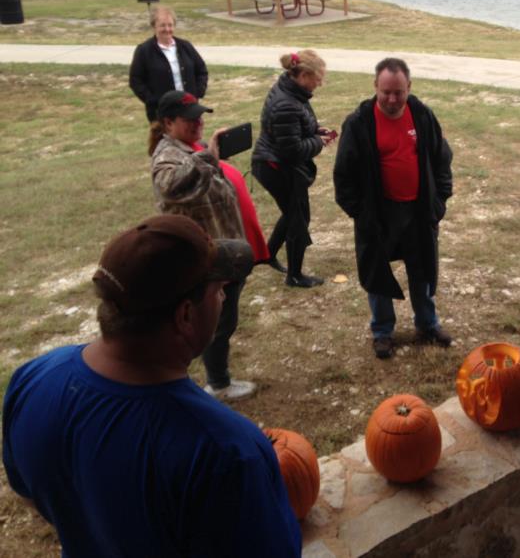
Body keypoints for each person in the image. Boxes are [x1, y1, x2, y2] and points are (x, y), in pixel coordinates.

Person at [2, 214, 302, 557]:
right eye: (219, 290)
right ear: (185, 315)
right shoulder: (226, 452)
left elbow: (29, 494)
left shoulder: (32, 379)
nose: (223, 300)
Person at [333, 57, 454, 359]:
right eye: (385, 92)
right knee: (377, 273)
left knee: (422, 269)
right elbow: (343, 176)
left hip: (418, 211)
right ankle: (382, 331)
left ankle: (427, 324)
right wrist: (361, 214)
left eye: (398, 92)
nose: (391, 99)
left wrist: (439, 201)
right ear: (375, 86)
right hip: (378, 215)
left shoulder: (422, 115)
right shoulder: (359, 123)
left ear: (408, 88)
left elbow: (442, 158)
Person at [149, 90, 257, 400]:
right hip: (205, 257)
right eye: (190, 119)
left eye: (200, 117)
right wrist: (208, 156)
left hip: (222, 252)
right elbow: (169, 186)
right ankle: (218, 383)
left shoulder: (186, 147)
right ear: (168, 122)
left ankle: (215, 378)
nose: (198, 123)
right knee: (216, 322)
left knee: (223, 318)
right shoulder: (167, 155)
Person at [252, 50, 337, 286]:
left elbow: (295, 130)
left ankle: (268, 254)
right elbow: (293, 150)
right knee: (298, 218)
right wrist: (319, 142)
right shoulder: (286, 104)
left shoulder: (292, 92)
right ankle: (295, 276)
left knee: (292, 214)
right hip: (276, 167)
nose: (319, 84)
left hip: (277, 163)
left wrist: (315, 131)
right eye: (317, 78)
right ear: (303, 75)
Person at [129, 5, 209, 123]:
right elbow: (135, 81)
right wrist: (152, 100)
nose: (167, 29)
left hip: (189, 108)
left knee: (191, 139)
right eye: (162, 25)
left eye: (170, 25)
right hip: (161, 112)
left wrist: (197, 93)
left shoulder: (185, 46)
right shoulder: (144, 51)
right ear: (154, 26)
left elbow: (201, 70)